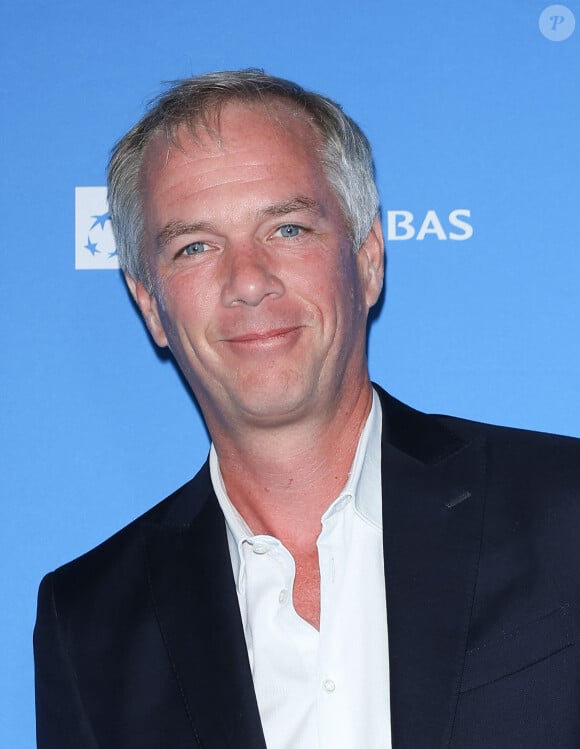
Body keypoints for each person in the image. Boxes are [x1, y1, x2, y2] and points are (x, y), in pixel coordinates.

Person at [34, 70, 580, 749]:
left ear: (369, 259)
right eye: (195, 247)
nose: (250, 281)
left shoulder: (564, 508)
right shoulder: (89, 620)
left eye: (287, 228)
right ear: (152, 306)